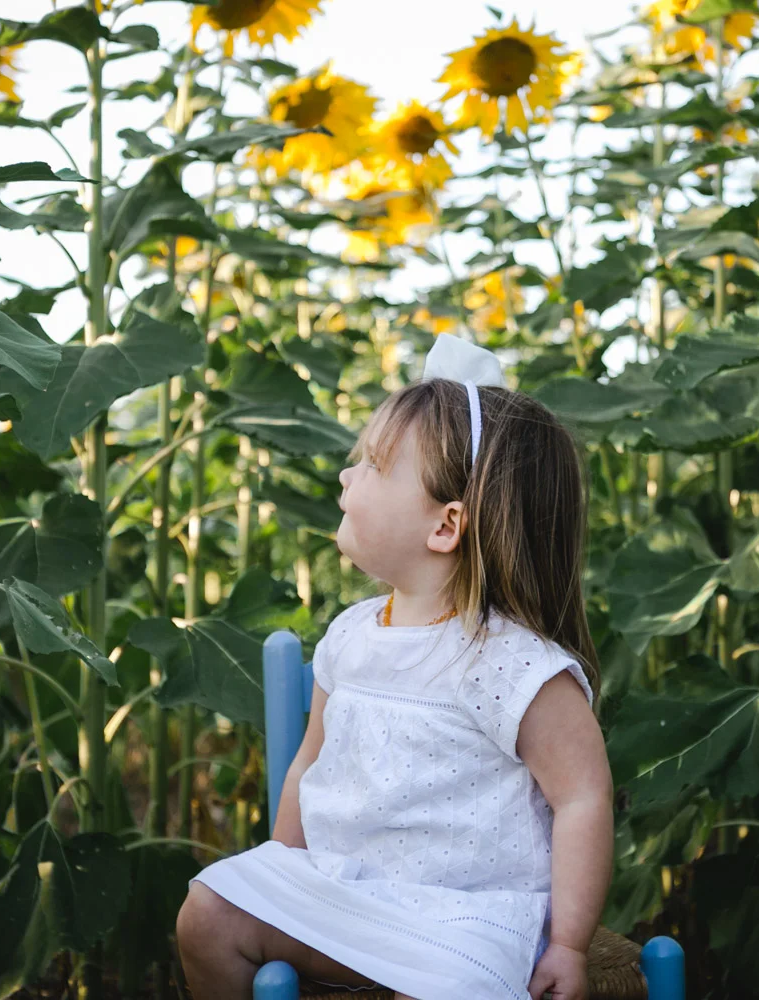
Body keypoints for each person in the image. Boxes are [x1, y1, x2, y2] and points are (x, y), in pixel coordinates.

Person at [176, 334, 613, 1000]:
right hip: (341, 899)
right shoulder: (349, 638)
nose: (347, 478)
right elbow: (309, 764)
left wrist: (569, 945)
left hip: (463, 923)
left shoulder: (512, 664)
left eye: (373, 465)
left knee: (453, 987)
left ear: (445, 526)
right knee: (206, 913)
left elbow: (582, 797)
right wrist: (286, 877)